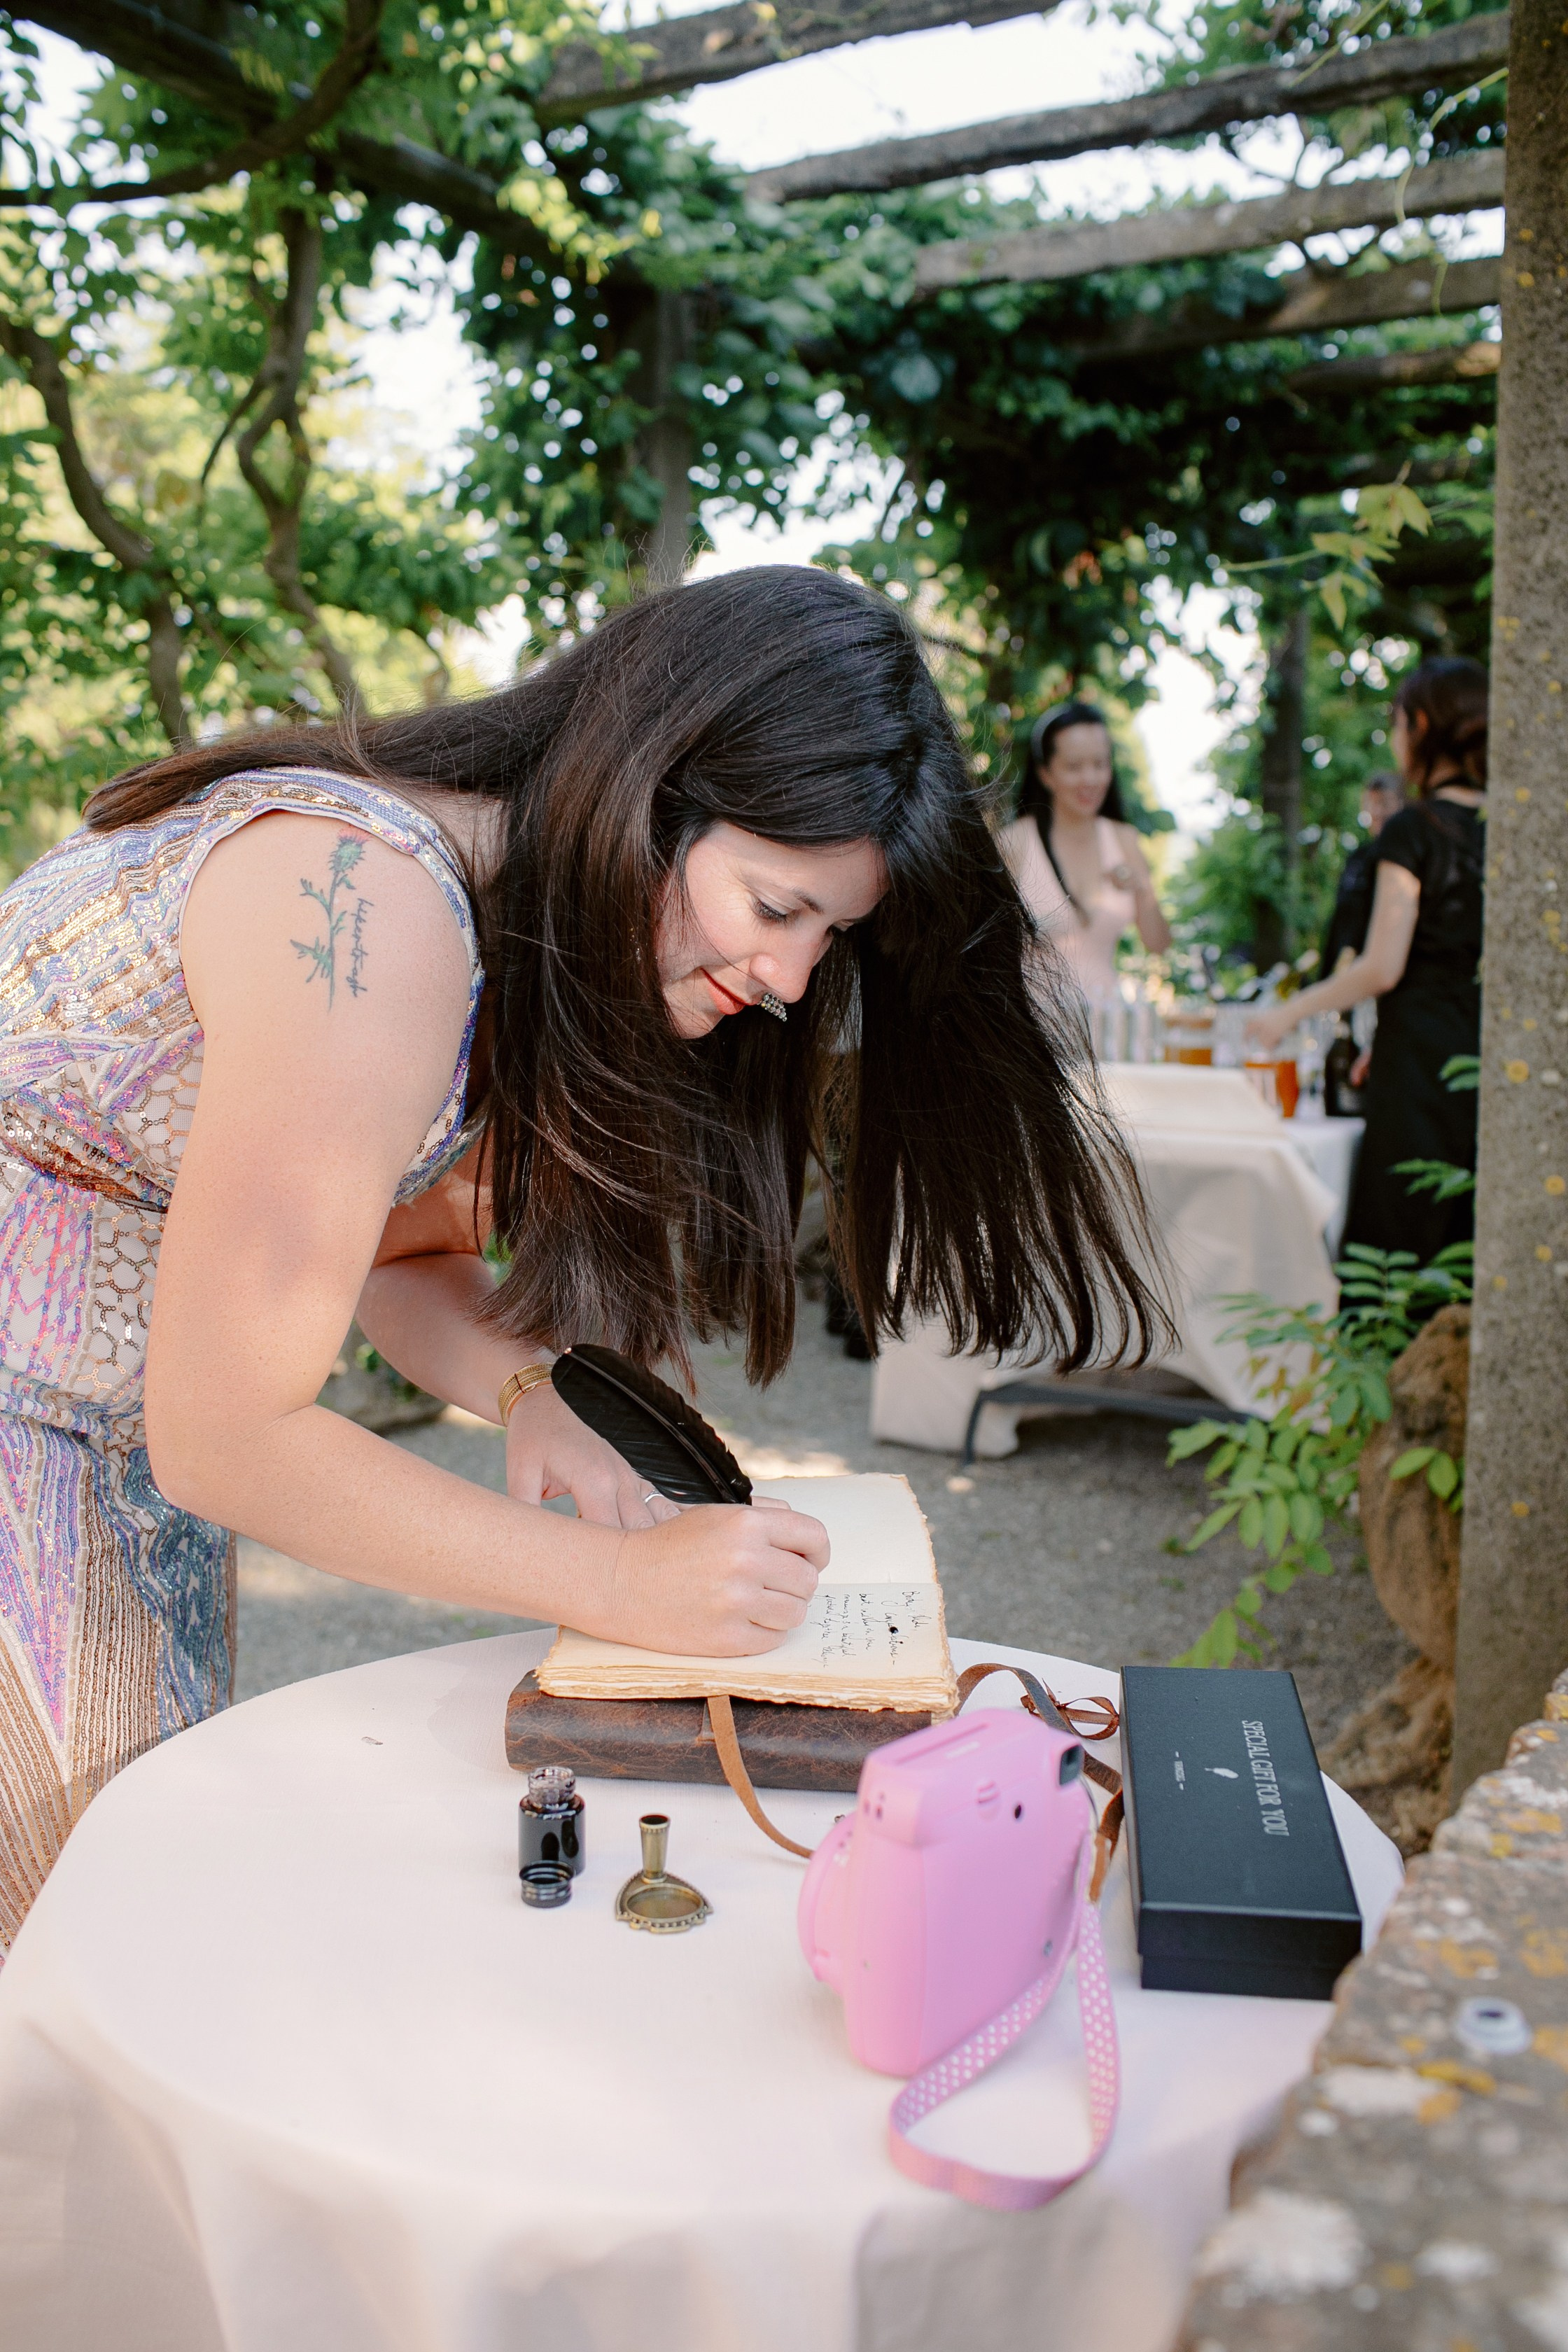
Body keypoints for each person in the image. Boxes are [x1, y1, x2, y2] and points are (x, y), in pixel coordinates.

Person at [0, 566, 1167, 1951]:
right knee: (75, 1972)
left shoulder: (487, 924)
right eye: (775, 905)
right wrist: (616, 1589)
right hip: (51, 1456)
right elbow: (229, 1437)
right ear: (649, 782)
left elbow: (390, 1258)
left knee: (118, 1947)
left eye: (829, 937)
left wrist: (524, 1392)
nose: (792, 983)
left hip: (115, 1475)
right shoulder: (365, 906)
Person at [1246, 657, 1486, 1266]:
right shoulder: (1505, 825)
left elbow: (1383, 964)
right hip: (1482, 1059)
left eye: (1399, 723)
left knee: (1394, 1248)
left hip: (1419, 1072)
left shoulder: (1414, 829)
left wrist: (1287, 1013)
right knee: (1460, 1247)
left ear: (1423, 725)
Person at [998, 700, 1172, 1008]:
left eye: (1100, 764)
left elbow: (1158, 944)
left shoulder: (1124, 840)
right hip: (1034, 1033)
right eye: (1074, 767)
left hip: (1107, 1033)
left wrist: (1142, 889)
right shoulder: (1014, 844)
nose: (1090, 779)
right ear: (1045, 774)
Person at [1322, 770, 1406, 975]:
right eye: (1371, 804)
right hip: (1349, 974)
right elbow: (1339, 923)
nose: (1377, 812)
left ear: (1402, 805)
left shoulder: (1410, 859)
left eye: (1385, 803)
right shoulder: (1358, 859)